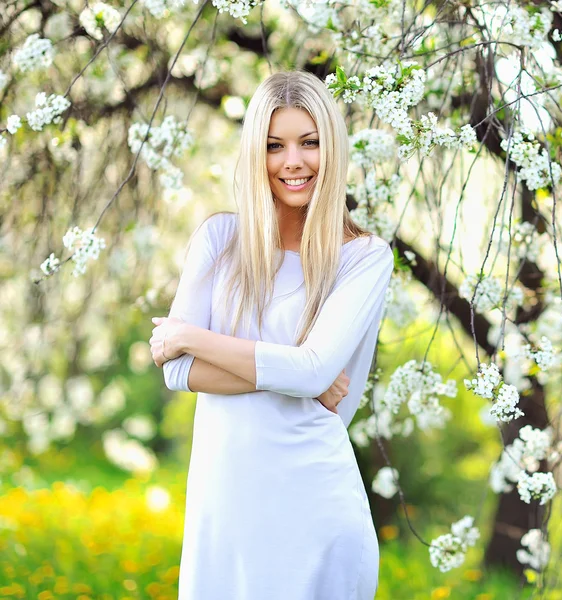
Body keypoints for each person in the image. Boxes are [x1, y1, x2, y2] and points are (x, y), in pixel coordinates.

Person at [148, 70, 394, 600]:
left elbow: (312, 372)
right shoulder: (218, 239)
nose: (293, 162)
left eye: (310, 143)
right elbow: (177, 371)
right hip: (225, 511)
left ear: (332, 148)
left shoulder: (364, 258)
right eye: (274, 145)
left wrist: (190, 334)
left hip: (316, 512)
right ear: (254, 155)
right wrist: (293, 374)